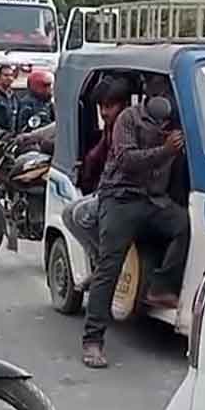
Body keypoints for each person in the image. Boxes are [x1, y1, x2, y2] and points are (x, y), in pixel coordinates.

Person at [81, 76, 189, 369]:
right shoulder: (128, 119)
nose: (162, 95)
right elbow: (128, 160)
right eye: (158, 90)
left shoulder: (180, 123)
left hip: (155, 200)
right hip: (122, 199)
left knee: (182, 225)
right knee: (109, 268)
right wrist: (165, 150)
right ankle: (93, 341)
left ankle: (160, 286)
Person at [62, 78, 131, 287]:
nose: (104, 112)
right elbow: (97, 154)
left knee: (82, 215)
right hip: (107, 189)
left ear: (123, 105)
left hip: (125, 193)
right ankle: (99, 262)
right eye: (101, 106)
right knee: (68, 214)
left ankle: (107, 266)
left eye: (109, 106)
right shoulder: (110, 128)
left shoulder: (127, 127)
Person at [16, 70, 55, 134]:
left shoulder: (47, 103)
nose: (50, 89)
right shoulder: (28, 104)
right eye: (46, 86)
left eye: (50, 85)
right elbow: (25, 129)